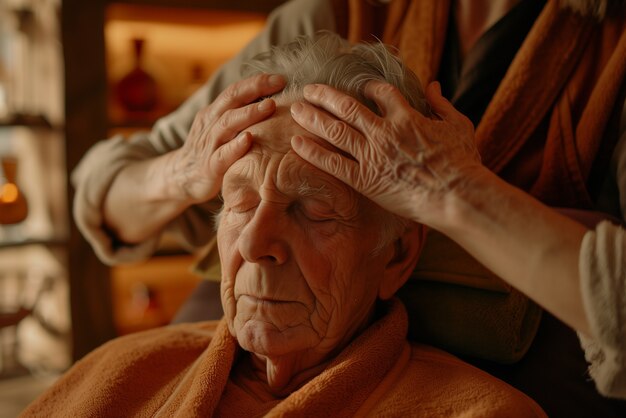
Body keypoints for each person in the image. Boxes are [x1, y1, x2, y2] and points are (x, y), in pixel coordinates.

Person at [70, 0, 626, 415]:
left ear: (401, 252)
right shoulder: (332, 13)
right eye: (239, 201)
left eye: (312, 210)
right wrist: (184, 168)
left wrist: (454, 193)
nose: (254, 242)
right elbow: (102, 191)